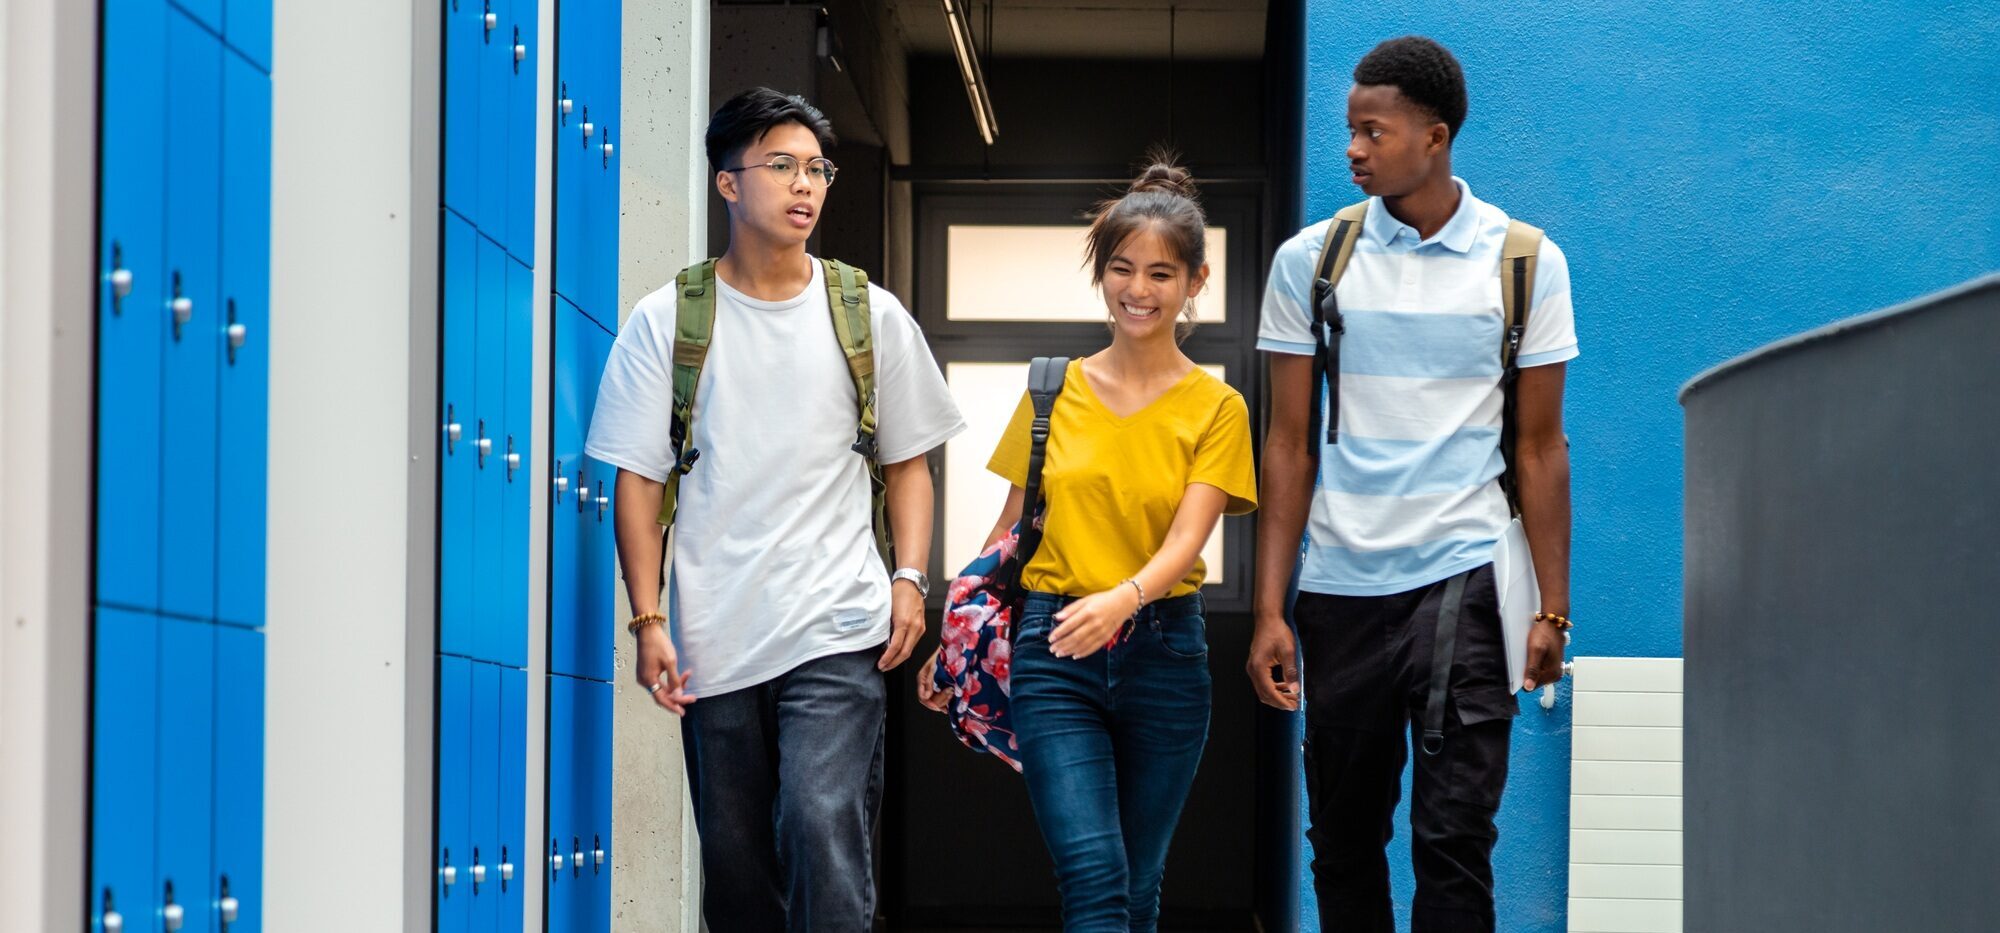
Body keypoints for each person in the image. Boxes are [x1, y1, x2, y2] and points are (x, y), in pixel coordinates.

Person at [585, 87, 965, 932]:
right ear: (728, 182)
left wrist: (909, 578)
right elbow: (638, 482)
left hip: (837, 624)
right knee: (738, 869)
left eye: (818, 169)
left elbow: (908, 463)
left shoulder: (869, 315)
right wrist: (648, 617)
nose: (805, 185)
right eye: (783, 165)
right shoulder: (667, 321)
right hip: (715, 637)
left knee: (821, 823)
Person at [1245, 36, 1579, 933]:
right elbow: (1287, 445)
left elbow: (1541, 448)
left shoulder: (1524, 262)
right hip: (1341, 590)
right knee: (1343, 841)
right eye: (1350, 129)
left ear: (1435, 137)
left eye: (1373, 131)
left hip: (1467, 584)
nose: (1352, 149)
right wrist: (1271, 608)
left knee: (1455, 839)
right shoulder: (1312, 261)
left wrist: (1552, 611)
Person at [921, 157, 1257, 932]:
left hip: (1166, 653)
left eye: (1161, 273)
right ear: (1101, 273)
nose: (1138, 289)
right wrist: (958, 637)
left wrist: (1122, 600)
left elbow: (1188, 538)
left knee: (1137, 882)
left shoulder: (1218, 407)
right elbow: (1009, 530)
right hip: (1052, 648)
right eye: (1121, 268)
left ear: (1196, 281)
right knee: (1094, 874)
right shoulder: (1052, 389)